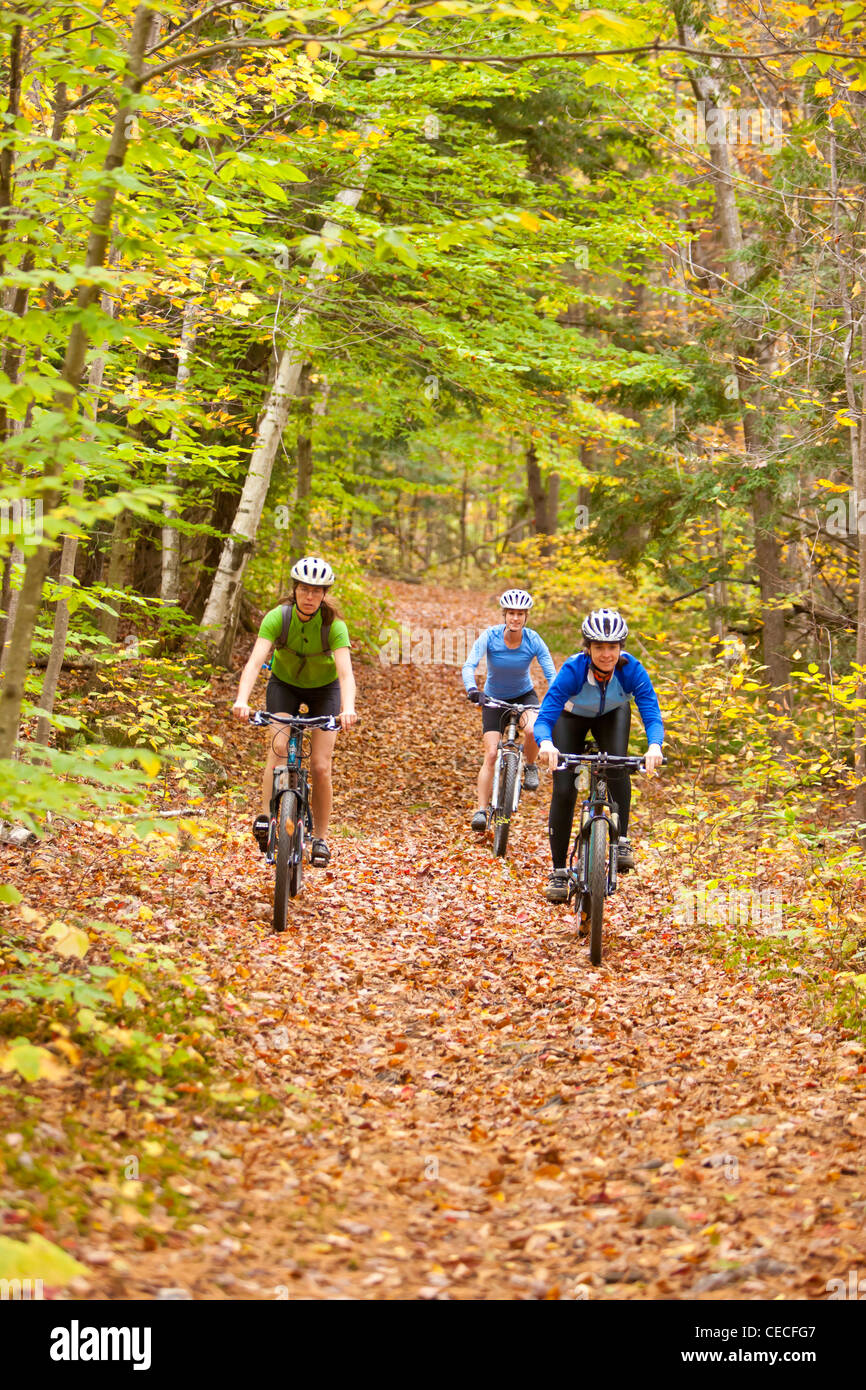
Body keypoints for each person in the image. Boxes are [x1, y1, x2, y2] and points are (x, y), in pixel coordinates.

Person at [232, 556, 358, 867]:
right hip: (284, 685)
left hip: (324, 691)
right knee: (277, 748)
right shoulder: (278, 618)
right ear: (295, 590)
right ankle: (265, 817)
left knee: (320, 766)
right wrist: (242, 700)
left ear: (325, 594)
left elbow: (345, 675)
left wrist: (348, 708)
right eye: (304, 589)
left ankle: (321, 838)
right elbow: (253, 663)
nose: (310, 596)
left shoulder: (334, 626)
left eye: (317, 591)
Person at [534, 607, 663, 901]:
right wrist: (545, 743)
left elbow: (651, 713)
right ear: (588, 648)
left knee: (617, 765)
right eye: (599, 647)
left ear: (621, 648)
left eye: (613, 647)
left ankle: (621, 841)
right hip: (571, 718)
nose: (607, 654)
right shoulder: (573, 670)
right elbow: (545, 717)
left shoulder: (632, 670)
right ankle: (558, 873)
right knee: (565, 787)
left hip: (612, 715)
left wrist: (655, 745)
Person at [462, 588, 557, 832]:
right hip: (494, 698)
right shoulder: (490, 636)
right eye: (511, 613)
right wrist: (473, 689)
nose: (515, 618)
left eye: (520, 614)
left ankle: (531, 766)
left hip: (524, 696)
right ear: (504, 615)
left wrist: (555, 696)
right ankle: (481, 810)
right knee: (492, 754)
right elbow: (469, 664)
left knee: (534, 730)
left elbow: (550, 672)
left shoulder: (533, 639)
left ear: (526, 617)